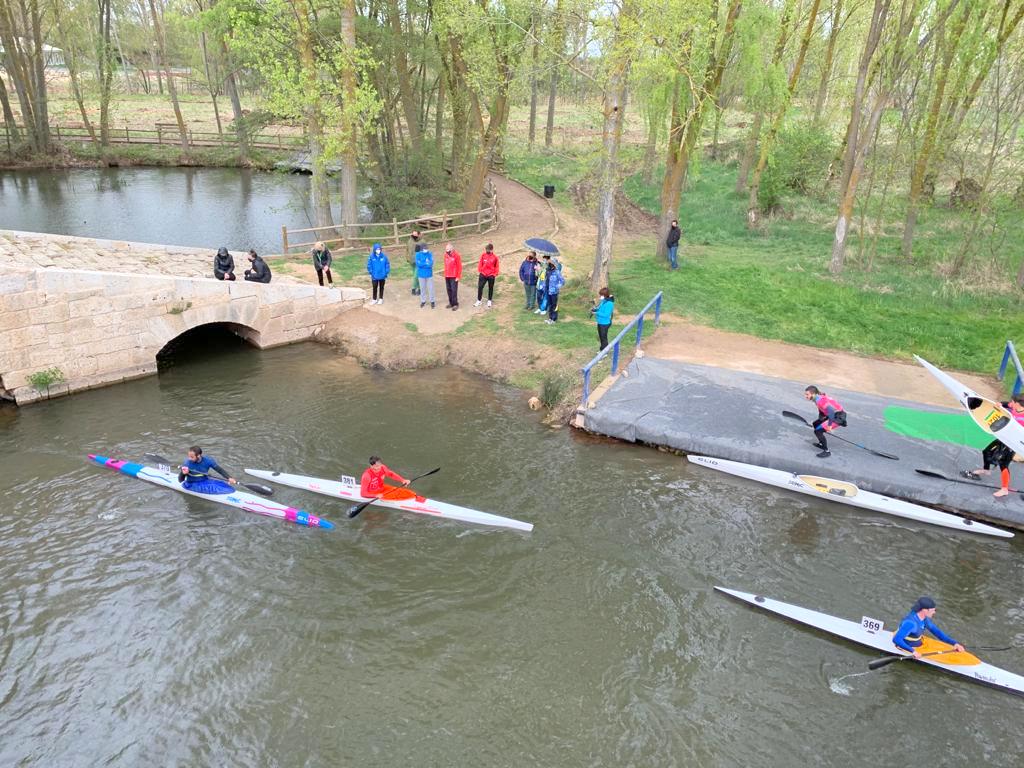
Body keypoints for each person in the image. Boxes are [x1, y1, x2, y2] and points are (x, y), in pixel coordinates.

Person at [965, 395, 1024, 497]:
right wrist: (1000, 404)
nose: (1011, 403)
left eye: (1013, 402)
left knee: (1003, 463)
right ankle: (986, 470)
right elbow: (1006, 404)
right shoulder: (1014, 407)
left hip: (1013, 442)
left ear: (1018, 404)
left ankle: (1004, 489)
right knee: (986, 451)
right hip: (1004, 437)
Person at [892, 597, 965, 658]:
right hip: (907, 648)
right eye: (933, 610)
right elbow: (896, 639)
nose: (934, 612)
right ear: (924, 610)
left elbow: (937, 632)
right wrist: (913, 651)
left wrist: (955, 643)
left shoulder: (924, 619)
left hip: (920, 643)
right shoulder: (910, 623)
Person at [804, 385, 847, 458]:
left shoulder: (820, 400)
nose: (805, 396)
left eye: (807, 394)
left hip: (837, 416)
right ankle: (821, 443)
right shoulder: (817, 398)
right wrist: (821, 419)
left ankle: (827, 451)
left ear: (813, 394)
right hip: (831, 414)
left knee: (818, 431)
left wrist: (829, 426)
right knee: (816, 424)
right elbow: (821, 409)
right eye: (805, 394)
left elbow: (831, 412)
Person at [475, 243, 499, 308]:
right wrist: (480, 270)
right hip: (483, 274)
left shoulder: (495, 257)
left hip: (491, 275)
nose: (487, 251)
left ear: (491, 250)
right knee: (480, 287)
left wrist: (495, 274)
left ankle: (489, 300)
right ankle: (479, 300)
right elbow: (480, 263)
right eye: (486, 249)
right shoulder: (483, 255)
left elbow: (497, 266)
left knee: (490, 288)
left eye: (488, 250)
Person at [415, 243, 436, 308]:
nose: (426, 250)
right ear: (421, 249)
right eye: (425, 249)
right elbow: (418, 264)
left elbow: (431, 263)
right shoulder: (418, 254)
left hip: (429, 275)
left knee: (431, 288)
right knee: (422, 289)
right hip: (421, 275)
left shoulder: (430, 254)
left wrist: (424, 264)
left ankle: (432, 301)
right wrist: (426, 263)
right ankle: (423, 301)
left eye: (426, 248)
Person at [544, 260, 565, 324]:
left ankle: (554, 319)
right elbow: (546, 280)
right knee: (550, 305)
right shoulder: (547, 271)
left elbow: (562, 281)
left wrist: (557, 287)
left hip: (554, 292)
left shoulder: (557, 272)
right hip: (548, 291)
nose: (549, 265)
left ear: (553, 265)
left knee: (554, 305)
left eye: (550, 264)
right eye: (548, 264)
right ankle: (550, 318)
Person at [443, 242, 462, 310]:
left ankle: (455, 304)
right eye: (446, 249)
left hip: (454, 276)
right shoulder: (445, 255)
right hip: (447, 275)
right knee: (449, 290)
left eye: (448, 249)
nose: (446, 250)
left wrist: (458, 276)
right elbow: (445, 265)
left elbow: (459, 266)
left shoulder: (456, 255)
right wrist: (445, 273)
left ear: (451, 249)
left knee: (454, 290)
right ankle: (451, 303)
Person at [407, 230, 421, 295]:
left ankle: (414, 287)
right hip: (411, 261)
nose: (414, 235)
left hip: (418, 261)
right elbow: (407, 250)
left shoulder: (421, 241)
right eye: (413, 234)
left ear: (418, 235)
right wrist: (407, 258)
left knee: (416, 275)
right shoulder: (409, 241)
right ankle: (418, 288)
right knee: (415, 275)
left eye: (415, 234)